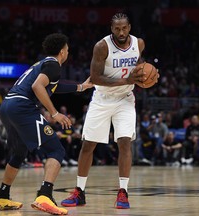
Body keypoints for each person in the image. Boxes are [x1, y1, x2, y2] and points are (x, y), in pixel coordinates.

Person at [0, 33, 93, 215]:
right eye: (67, 50)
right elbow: (38, 86)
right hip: (22, 107)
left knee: (19, 152)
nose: (68, 53)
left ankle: (2, 196)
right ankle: (45, 195)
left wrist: (80, 87)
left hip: (7, 106)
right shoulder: (54, 65)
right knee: (56, 150)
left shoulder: (43, 64)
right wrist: (54, 113)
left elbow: (54, 86)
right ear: (62, 51)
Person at [61, 12, 152, 209]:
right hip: (102, 99)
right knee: (88, 145)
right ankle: (79, 192)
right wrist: (125, 80)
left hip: (125, 100)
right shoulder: (102, 46)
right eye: (117, 29)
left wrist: (146, 76)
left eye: (124, 28)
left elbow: (137, 67)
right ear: (111, 29)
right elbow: (95, 77)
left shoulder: (139, 43)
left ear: (129, 27)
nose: (121, 32)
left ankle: (123, 192)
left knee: (125, 143)